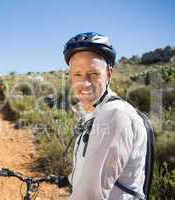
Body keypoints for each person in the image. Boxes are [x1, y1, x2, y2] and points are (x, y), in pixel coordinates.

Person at [57, 32, 149, 199]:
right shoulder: (95, 112)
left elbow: (90, 195)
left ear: (108, 74)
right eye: (77, 74)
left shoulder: (114, 115)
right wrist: (67, 180)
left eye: (93, 74)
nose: (84, 83)